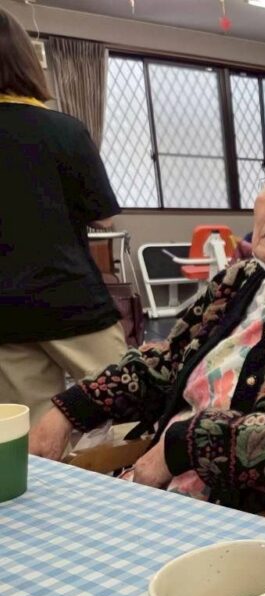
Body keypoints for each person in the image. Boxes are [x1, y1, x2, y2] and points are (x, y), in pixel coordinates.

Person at [30, 119, 265, 517]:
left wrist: (184, 444)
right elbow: (170, 361)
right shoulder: (240, 279)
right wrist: (76, 406)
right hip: (161, 490)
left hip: (254, 524)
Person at [0, 8, 126, 426]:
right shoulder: (63, 130)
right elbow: (105, 219)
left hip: (7, 311)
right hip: (70, 299)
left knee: (29, 436)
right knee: (127, 413)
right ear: (25, 60)